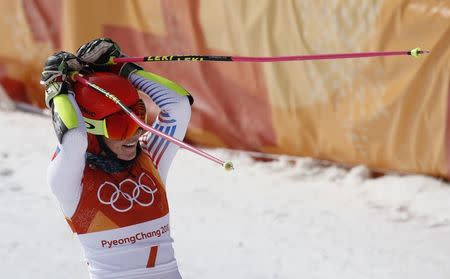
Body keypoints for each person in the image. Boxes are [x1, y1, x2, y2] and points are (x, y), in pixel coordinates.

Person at [40, 38, 193, 279]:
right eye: (121, 126)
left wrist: (122, 69)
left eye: (138, 118)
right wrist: (57, 89)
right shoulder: (73, 181)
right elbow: (74, 139)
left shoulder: (149, 158)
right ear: (93, 129)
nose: (136, 133)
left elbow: (178, 104)